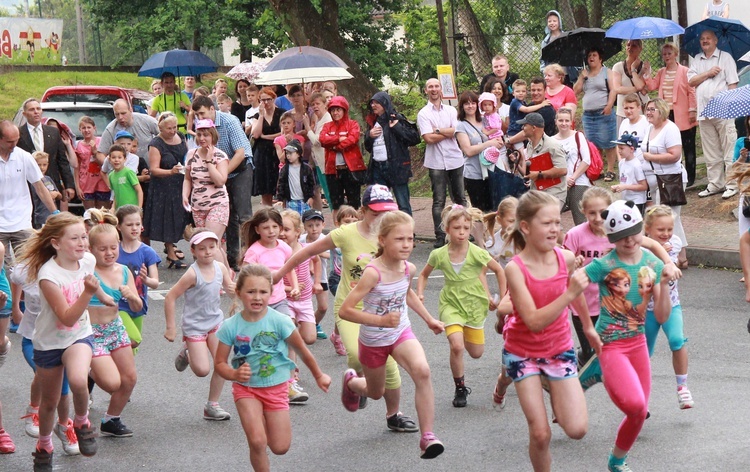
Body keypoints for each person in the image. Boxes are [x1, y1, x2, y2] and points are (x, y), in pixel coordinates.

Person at [273, 185, 420, 434]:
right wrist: (278, 274)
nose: (382, 219)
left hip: (384, 311)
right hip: (352, 308)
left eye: (387, 212)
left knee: (391, 368)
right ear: (362, 211)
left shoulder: (394, 237)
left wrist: (425, 315)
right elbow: (307, 251)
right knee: (354, 354)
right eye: (376, 213)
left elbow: (402, 278)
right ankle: (358, 382)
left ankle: (394, 414)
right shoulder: (346, 233)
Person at [341, 211, 445, 459]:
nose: (407, 245)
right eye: (400, 239)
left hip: (400, 333)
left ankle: (428, 437)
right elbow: (346, 310)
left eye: (410, 239)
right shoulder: (373, 273)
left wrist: (429, 319)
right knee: (376, 393)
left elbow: (406, 293)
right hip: (373, 341)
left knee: (423, 371)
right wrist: (381, 320)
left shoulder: (408, 268)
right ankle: (352, 383)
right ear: (383, 240)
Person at [502, 190, 592, 471]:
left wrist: (590, 330)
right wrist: (570, 294)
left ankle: (553, 390)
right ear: (525, 227)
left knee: (577, 429)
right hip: (522, 353)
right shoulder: (515, 269)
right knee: (541, 434)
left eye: (557, 222)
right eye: (547, 223)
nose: (555, 229)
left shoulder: (565, 258)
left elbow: (575, 295)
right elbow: (534, 321)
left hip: (559, 350)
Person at [582, 199, 672, 472]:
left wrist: (664, 284)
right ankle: (599, 367)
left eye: (633, 233)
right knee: (634, 406)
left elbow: (661, 316)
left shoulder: (652, 263)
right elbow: (573, 286)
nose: (629, 241)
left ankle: (616, 460)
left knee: (639, 413)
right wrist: (587, 326)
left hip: (638, 342)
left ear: (640, 230)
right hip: (610, 344)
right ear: (612, 238)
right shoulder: (605, 264)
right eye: (621, 237)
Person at [214, 264, 331, 471]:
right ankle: (257, 431)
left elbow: (303, 351)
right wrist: (234, 373)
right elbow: (220, 363)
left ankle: (264, 421)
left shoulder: (281, 321)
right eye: (251, 292)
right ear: (239, 293)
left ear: (271, 293)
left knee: (280, 447)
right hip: (246, 389)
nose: (257, 297)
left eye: (262, 292)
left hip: (277, 388)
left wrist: (319, 375)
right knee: (257, 442)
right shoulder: (230, 326)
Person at [18, 212, 104, 468]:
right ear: (56, 243)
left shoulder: (87, 260)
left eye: (84, 237)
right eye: (75, 238)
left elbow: (91, 282)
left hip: (79, 336)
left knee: (79, 379)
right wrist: (89, 293)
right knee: (50, 403)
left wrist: (105, 296)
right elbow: (66, 317)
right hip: (49, 342)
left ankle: (81, 422)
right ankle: (44, 444)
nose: (82, 243)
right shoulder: (48, 275)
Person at [417, 204, 505, 407]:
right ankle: (460, 388)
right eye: (457, 228)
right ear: (447, 230)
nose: (462, 232)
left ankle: (463, 329)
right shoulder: (438, 254)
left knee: (476, 353)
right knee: (456, 346)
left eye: (466, 228)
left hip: (475, 304)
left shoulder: (477, 253)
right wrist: (420, 292)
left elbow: (499, 271)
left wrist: (501, 298)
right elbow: (423, 275)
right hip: (451, 304)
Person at [10, 254, 81, 455]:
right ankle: (50, 418)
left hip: (64, 339)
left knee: (55, 380)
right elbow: (15, 281)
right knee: (50, 378)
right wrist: (16, 307)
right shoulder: (26, 268)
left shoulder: (71, 268)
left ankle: (62, 425)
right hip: (33, 339)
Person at [164, 229, 235, 421]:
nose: (208, 252)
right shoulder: (191, 274)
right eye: (202, 249)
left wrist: (240, 294)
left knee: (221, 365)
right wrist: (171, 327)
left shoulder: (220, 268)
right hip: (195, 327)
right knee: (202, 370)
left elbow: (230, 289)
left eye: (212, 247)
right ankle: (188, 351)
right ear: (193, 250)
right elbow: (170, 297)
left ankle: (212, 405)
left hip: (215, 323)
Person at [85, 209, 141, 437]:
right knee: (111, 383)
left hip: (115, 328)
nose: (109, 253)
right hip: (91, 332)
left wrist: (132, 296)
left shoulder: (124, 271)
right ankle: (86, 368)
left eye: (113, 247)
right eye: (102, 248)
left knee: (129, 379)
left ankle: (111, 419)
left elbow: (137, 307)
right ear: (90, 250)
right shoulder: (86, 271)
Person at [191, 95, 254, 272]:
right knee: (229, 216)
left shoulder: (229, 121)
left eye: (202, 113)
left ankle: (251, 255)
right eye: (197, 115)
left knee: (243, 214)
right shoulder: (202, 128)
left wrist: (222, 174)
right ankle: (233, 259)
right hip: (219, 170)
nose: (200, 118)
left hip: (239, 168)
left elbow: (241, 152)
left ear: (212, 109)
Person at [643, 205, 694, 410]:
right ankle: (641, 396)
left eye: (669, 229)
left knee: (677, 340)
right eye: (660, 230)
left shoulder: (675, 242)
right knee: (644, 351)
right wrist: (658, 255)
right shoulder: (641, 249)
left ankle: (682, 387)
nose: (666, 234)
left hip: (672, 304)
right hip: (648, 309)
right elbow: (643, 275)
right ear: (647, 229)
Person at [688, 29, 739, 199]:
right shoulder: (696, 59)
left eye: (708, 38)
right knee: (711, 152)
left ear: (716, 41)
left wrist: (730, 106)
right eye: (702, 39)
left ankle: (732, 184)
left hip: (723, 111)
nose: (705, 41)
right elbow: (691, 81)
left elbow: (732, 84)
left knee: (729, 149)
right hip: (704, 113)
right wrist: (708, 73)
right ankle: (716, 184)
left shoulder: (725, 58)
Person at [0, 121, 58, 268]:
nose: (14, 145)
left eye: (17, 140)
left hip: (22, 222)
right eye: (9, 142)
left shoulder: (23, 157)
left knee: (27, 267)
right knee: (4, 269)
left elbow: (40, 186)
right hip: (0, 226)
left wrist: (55, 212)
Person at [418, 78, 467, 247]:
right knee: (438, 200)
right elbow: (429, 139)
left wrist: (437, 130)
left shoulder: (451, 111)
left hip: (455, 159)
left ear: (441, 89)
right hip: (436, 162)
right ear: (426, 90)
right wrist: (448, 132)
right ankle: (440, 235)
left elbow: (457, 130)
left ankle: (464, 230)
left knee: (460, 198)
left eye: (436, 86)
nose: (433, 89)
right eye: (430, 86)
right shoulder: (423, 113)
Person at [645, 43, 698, 187]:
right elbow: (651, 86)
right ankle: (676, 174)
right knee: (671, 146)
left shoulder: (685, 71)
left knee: (688, 146)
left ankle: (690, 177)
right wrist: (646, 73)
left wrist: (692, 109)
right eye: (664, 54)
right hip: (667, 115)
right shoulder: (662, 72)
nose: (667, 56)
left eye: (669, 53)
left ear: (675, 54)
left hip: (684, 114)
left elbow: (691, 91)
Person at [643, 98, 689, 267]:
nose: (648, 112)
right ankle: (681, 257)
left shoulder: (670, 129)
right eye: (647, 109)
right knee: (670, 218)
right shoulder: (649, 128)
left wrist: (651, 157)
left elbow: (675, 155)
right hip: (655, 179)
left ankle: (676, 256)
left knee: (670, 219)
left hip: (671, 180)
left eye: (652, 109)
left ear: (661, 110)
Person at [183, 118, 230, 269]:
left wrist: (209, 162)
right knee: (213, 243)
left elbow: (220, 181)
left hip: (217, 204)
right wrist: (185, 195)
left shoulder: (220, 156)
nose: (202, 138)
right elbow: (187, 179)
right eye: (199, 134)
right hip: (198, 206)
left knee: (210, 242)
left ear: (213, 135)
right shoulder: (191, 154)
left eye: (206, 135)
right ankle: (228, 275)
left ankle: (221, 279)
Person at [143, 113, 188, 268]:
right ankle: (170, 251)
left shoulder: (181, 137)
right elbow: (153, 170)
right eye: (169, 128)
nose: (173, 131)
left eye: (175, 127)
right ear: (160, 128)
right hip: (164, 187)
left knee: (184, 218)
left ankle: (179, 247)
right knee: (167, 219)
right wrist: (171, 172)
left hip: (181, 183)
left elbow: (187, 156)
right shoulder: (156, 143)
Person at [364, 91, 420, 215]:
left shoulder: (397, 118)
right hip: (378, 168)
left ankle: (407, 231)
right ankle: (385, 232)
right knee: (380, 203)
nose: (373, 105)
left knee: (403, 203)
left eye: (376, 103)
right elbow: (368, 147)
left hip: (397, 167)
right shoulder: (372, 122)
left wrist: (397, 127)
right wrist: (369, 136)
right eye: (372, 103)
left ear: (385, 103)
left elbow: (414, 138)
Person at [115, 205, 160, 351]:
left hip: (138, 304)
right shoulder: (114, 250)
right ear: (119, 226)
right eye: (129, 224)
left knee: (131, 350)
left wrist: (146, 279)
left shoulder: (147, 252)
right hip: (118, 304)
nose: (134, 228)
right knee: (134, 339)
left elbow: (155, 283)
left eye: (137, 224)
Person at [17, 99, 76, 204]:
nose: (36, 112)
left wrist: (69, 185)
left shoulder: (53, 132)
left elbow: (62, 160)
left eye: (38, 109)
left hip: (51, 184)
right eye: (32, 109)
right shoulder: (19, 134)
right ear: (24, 114)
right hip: (27, 186)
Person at [455, 91, 504, 213]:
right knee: (479, 212)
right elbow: (468, 151)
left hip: (490, 171)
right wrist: (488, 144)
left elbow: (496, 135)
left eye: (473, 103)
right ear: (462, 107)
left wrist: (498, 143)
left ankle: (490, 232)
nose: (470, 106)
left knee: (493, 210)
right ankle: (479, 232)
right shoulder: (461, 126)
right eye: (466, 104)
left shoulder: (484, 120)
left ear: (478, 105)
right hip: (474, 174)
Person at [574, 47, 618, 182]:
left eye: (594, 55)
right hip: (588, 115)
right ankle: (597, 169)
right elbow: (575, 91)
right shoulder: (585, 73)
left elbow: (613, 90)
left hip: (603, 112)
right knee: (593, 144)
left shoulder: (607, 72)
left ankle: (610, 170)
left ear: (600, 58)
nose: (591, 58)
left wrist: (609, 105)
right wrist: (582, 77)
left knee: (608, 142)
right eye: (589, 56)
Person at [320, 96, 367, 215]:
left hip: (351, 169)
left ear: (344, 110)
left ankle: (356, 227)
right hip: (332, 170)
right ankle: (337, 229)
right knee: (336, 203)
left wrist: (335, 146)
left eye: (338, 110)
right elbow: (322, 140)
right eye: (333, 110)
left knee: (354, 202)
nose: (335, 113)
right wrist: (339, 139)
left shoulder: (353, 124)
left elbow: (353, 139)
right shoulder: (327, 126)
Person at [519, 112, 568, 208]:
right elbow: (530, 173)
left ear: (534, 128)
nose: (522, 128)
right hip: (537, 195)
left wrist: (539, 175)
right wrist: (518, 161)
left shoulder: (553, 145)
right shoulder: (529, 145)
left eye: (525, 125)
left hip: (553, 195)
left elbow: (562, 170)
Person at [552, 108, 591, 225]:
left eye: (567, 121)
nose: (564, 123)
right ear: (556, 121)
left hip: (578, 182)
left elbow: (586, 160)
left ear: (571, 121)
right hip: (559, 184)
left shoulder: (578, 136)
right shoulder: (551, 140)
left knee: (580, 220)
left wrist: (573, 178)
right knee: (552, 217)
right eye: (561, 120)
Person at [251, 87, 285, 207]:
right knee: (265, 189)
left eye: (269, 99)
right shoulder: (257, 115)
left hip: (278, 151)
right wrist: (261, 116)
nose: (266, 103)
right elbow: (255, 134)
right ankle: (267, 214)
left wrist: (265, 137)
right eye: (263, 100)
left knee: (281, 187)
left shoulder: (282, 113)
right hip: (263, 154)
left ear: (274, 98)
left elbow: (283, 133)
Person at [98, 99, 159, 163]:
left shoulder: (146, 121)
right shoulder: (111, 129)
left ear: (130, 110)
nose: (120, 117)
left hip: (149, 168)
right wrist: (112, 167)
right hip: (124, 170)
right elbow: (100, 154)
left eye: (123, 113)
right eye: (117, 114)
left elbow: (165, 133)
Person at [300, 209, 329, 340]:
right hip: (304, 278)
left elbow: (331, 255)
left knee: (323, 307)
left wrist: (315, 252)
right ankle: (307, 327)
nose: (314, 229)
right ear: (304, 227)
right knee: (305, 305)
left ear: (323, 225)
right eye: (310, 225)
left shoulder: (326, 239)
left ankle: (315, 324)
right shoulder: (300, 239)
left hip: (321, 277)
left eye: (317, 225)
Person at [613, 40, 651, 131]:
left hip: (641, 110)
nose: (630, 47)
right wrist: (637, 88)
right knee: (624, 140)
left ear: (640, 49)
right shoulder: (618, 67)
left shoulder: (645, 66)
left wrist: (634, 69)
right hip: (624, 112)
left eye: (634, 45)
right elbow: (617, 89)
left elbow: (644, 90)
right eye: (628, 45)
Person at [74, 116, 109, 210]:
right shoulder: (78, 145)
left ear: (94, 128)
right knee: (90, 213)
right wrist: (77, 187)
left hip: (102, 182)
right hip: (86, 183)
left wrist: (95, 152)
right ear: (80, 129)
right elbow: (76, 167)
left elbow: (107, 163)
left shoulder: (101, 141)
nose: (86, 130)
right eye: (83, 128)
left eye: (89, 127)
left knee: (103, 213)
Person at [305, 92, 333, 208]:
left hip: (326, 162)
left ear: (325, 104)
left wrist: (307, 127)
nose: (315, 106)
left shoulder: (327, 119)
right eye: (313, 104)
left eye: (318, 103)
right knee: (325, 191)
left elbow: (317, 141)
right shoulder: (318, 120)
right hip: (318, 162)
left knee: (330, 192)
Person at [611, 133, 648, 215]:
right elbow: (625, 180)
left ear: (631, 149)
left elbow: (644, 186)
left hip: (637, 201)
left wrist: (625, 187)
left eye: (622, 148)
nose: (619, 151)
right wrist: (618, 187)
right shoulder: (621, 163)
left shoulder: (636, 165)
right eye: (618, 148)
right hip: (625, 200)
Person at [277, 140, 314, 215]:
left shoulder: (306, 168)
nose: (288, 155)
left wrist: (310, 197)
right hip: (291, 201)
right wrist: (280, 199)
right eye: (287, 153)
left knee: (305, 220)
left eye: (290, 153)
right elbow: (281, 184)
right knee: (293, 221)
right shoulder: (284, 169)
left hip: (304, 200)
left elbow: (311, 184)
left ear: (298, 154)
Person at [30, 151, 62, 229]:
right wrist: (49, 195)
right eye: (39, 165)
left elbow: (60, 196)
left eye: (44, 165)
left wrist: (56, 194)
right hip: (40, 217)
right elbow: (39, 194)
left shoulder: (48, 179)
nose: (42, 168)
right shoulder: (31, 181)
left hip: (52, 215)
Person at [104, 144, 142, 209]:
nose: (116, 160)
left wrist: (139, 208)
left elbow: (139, 191)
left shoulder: (129, 172)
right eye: (113, 157)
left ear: (124, 159)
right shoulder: (111, 175)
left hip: (132, 210)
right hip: (119, 210)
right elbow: (116, 194)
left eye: (119, 157)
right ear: (109, 160)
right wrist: (113, 208)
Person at [484, 196, 518, 268]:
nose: (515, 225)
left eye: (518, 221)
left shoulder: (525, 238)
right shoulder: (493, 242)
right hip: (505, 278)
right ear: (499, 220)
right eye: (511, 221)